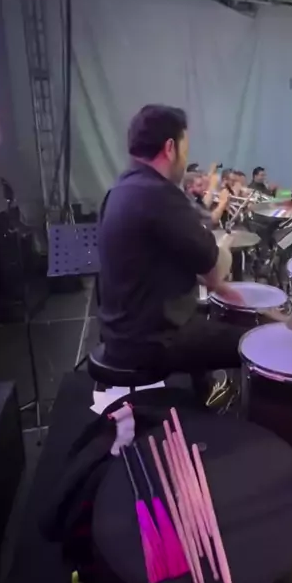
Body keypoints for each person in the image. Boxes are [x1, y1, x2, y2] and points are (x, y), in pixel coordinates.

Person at [98, 105, 246, 396]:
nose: (185, 159)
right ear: (170, 148)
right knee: (253, 341)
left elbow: (162, 261)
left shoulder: (119, 191)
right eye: (185, 150)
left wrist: (216, 284)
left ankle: (206, 394)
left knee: (202, 314)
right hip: (153, 343)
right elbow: (215, 269)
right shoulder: (160, 194)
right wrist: (226, 245)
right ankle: (231, 411)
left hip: (119, 335)